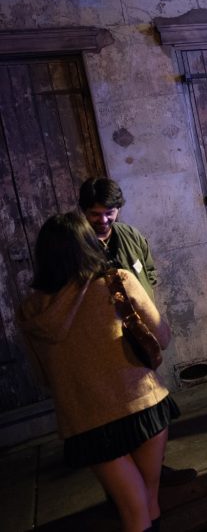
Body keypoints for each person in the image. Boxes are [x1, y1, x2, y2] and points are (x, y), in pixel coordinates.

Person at [17, 212, 174, 532]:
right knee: (147, 503)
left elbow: (42, 377)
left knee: (132, 510)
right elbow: (162, 336)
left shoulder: (31, 312)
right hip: (141, 405)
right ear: (88, 245)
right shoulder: (117, 281)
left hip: (86, 421)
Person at [78, 177, 197, 488]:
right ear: (83, 212)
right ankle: (127, 488)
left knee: (151, 413)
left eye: (110, 212)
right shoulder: (74, 246)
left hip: (141, 338)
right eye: (94, 214)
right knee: (121, 418)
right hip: (105, 346)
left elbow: (149, 270)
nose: (103, 220)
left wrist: (145, 308)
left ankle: (153, 471)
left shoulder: (129, 235)